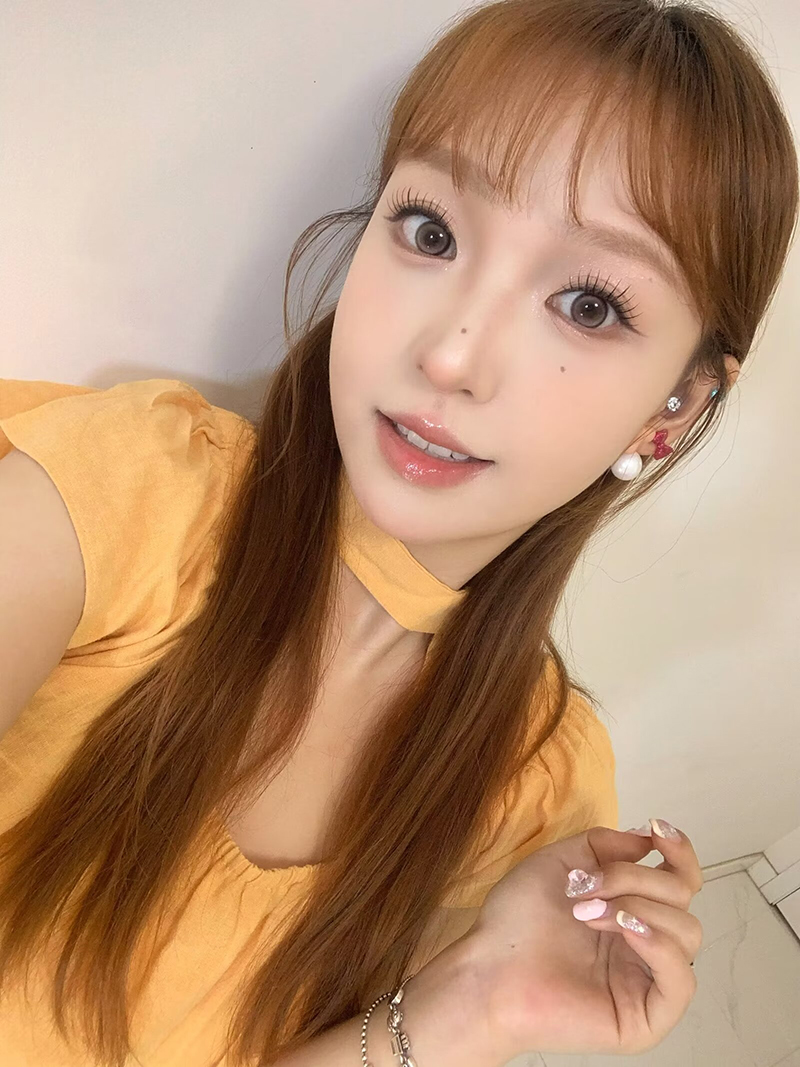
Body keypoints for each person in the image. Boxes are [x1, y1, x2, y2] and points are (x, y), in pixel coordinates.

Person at [0, 0, 796, 1064]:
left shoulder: (534, 801)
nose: (451, 355)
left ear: (675, 408)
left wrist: (475, 1002)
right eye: (431, 232)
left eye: (588, 304)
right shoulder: (138, 494)